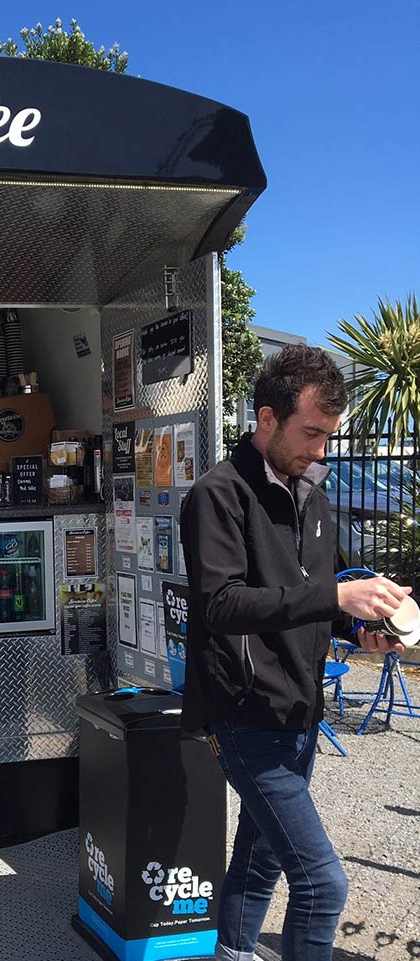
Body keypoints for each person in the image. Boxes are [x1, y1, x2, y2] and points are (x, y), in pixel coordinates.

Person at [180, 345, 408, 961]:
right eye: (311, 433)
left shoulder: (315, 493)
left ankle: (232, 952)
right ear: (265, 419)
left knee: (258, 861)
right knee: (322, 883)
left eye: (329, 436)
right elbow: (220, 606)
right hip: (243, 710)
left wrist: (359, 628)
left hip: (302, 710)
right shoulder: (217, 494)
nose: (321, 450)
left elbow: (312, 600)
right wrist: (333, 595)